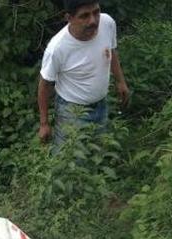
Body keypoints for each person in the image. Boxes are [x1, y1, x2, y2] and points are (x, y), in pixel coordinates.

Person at [37, 0, 129, 150]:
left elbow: (111, 51)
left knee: (98, 153)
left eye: (96, 12)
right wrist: (44, 124)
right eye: (84, 16)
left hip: (102, 105)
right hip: (72, 112)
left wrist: (120, 81)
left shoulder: (107, 23)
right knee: (71, 161)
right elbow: (44, 85)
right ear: (69, 18)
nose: (93, 20)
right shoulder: (57, 48)